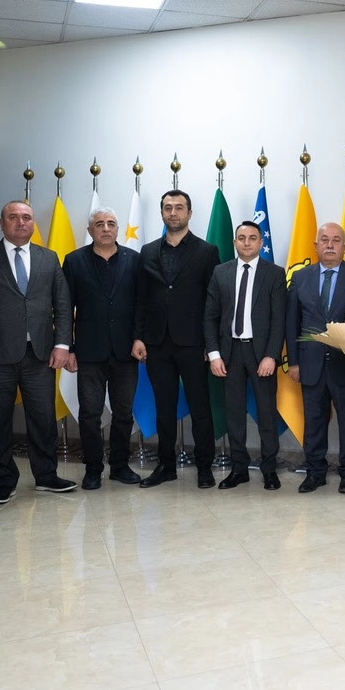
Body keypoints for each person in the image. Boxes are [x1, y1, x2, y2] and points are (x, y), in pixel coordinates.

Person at [0, 200, 76, 504]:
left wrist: (62, 345)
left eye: (26, 217)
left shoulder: (49, 258)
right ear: (2, 223)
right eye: (13, 217)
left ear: (33, 223)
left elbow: (62, 304)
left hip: (39, 354)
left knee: (43, 418)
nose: (21, 222)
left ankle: (46, 476)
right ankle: (4, 481)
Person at [132, 190, 220, 489]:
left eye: (179, 207)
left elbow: (214, 303)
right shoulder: (147, 252)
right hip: (157, 343)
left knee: (200, 408)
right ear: (161, 213)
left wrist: (211, 345)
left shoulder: (207, 251)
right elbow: (141, 299)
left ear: (189, 213)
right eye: (168, 207)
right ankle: (166, 466)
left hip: (194, 343)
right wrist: (138, 337)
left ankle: (204, 467)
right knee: (164, 409)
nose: (173, 212)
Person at [61, 207, 144, 491]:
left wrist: (138, 338)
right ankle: (93, 469)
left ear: (118, 229)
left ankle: (120, 466)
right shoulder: (74, 261)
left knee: (124, 413)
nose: (106, 228)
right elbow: (65, 308)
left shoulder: (134, 260)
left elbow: (141, 305)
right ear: (90, 230)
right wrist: (69, 348)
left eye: (111, 223)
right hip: (89, 352)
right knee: (89, 415)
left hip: (126, 352)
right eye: (99, 224)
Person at [286, 222, 345, 494]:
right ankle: (315, 472)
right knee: (314, 421)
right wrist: (294, 362)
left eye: (336, 240)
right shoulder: (300, 277)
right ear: (316, 245)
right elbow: (292, 322)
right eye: (325, 239)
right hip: (310, 364)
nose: (330, 245)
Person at [203, 220, 287, 491]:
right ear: (234, 242)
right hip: (229, 353)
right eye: (242, 238)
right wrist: (214, 354)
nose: (247, 242)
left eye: (252, 238)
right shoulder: (221, 272)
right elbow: (210, 317)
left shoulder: (274, 273)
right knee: (234, 414)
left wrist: (271, 356)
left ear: (261, 243)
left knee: (266, 413)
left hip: (261, 353)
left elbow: (279, 320)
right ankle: (239, 469)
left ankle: (269, 469)